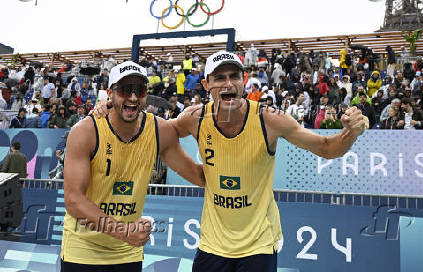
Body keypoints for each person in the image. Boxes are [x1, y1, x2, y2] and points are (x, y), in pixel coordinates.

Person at [94, 51, 365, 272]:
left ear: (244, 80)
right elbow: (157, 133)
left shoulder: (269, 119)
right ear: (206, 85)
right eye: (219, 77)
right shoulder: (196, 117)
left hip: (258, 245)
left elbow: (328, 149)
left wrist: (350, 132)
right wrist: (109, 107)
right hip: (212, 246)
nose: (228, 83)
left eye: (234, 76)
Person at [61, 61, 205, 272]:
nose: (134, 97)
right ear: (110, 93)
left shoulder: (158, 130)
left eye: (140, 89)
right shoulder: (86, 131)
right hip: (83, 249)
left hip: (127, 250)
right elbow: (74, 200)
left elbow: (198, 176)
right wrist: (123, 231)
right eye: (125, 90)